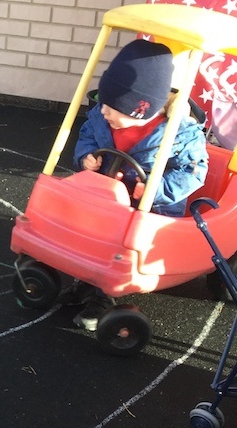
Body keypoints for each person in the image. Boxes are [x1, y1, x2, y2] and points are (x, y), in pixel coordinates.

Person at [68, 38, 209, 331]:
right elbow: (88, 134)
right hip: (108, 196)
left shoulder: (180, 134)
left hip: (152, 208)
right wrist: (86, 156)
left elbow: (193, 172)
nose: (103, 112)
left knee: (117, 244)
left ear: (139, 110)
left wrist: (156, 190)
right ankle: (87, 279)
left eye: (112, 108)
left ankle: (103, 296)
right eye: (103, 104)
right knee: (89, 232)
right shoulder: (104, 117)